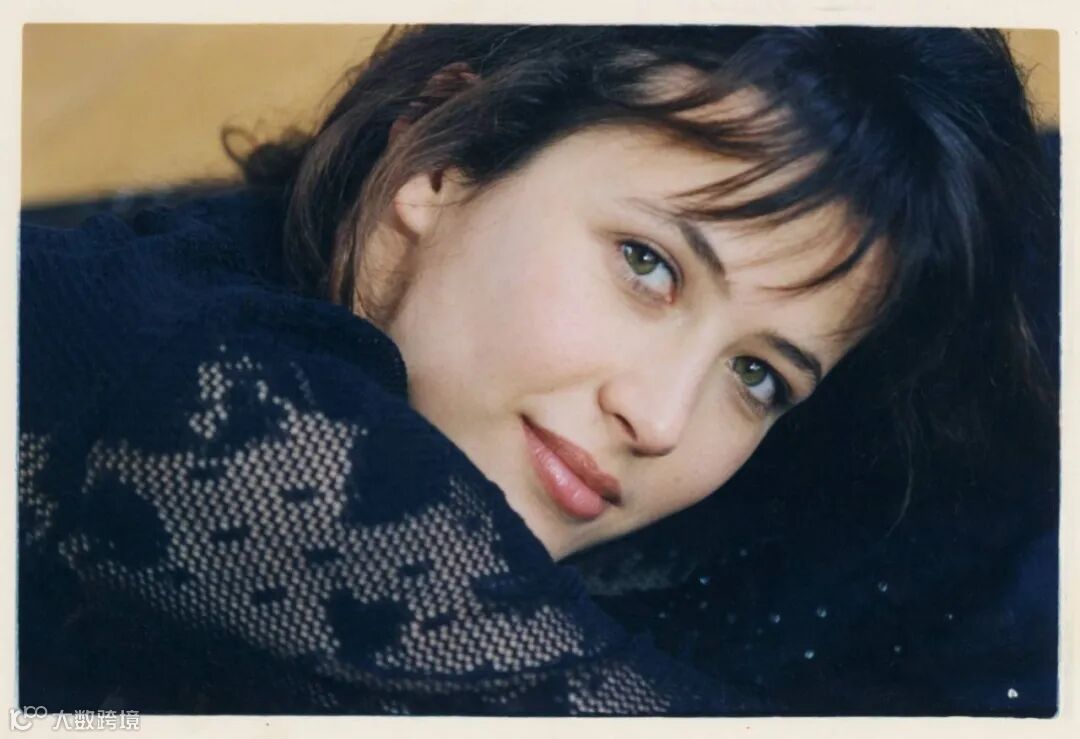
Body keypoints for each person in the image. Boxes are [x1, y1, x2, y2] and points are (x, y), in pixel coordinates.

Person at [17, 25, 1056, 715]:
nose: (660, 417)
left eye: (758, 376)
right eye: (648, 265)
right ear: (443, 158)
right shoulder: (201, 398)